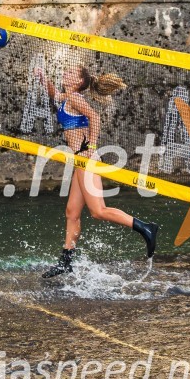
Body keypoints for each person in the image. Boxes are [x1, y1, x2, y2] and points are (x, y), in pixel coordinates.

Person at [39, 66, 159, 278]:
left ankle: (145, 228)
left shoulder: (75, 98)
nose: (65, 74)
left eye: (70, 73)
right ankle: (66, 262)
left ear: (78, 82)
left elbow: (95, 117)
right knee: (72, 213)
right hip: (80, 162)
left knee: (98, 211)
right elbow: (54, 93)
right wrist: (43, 78)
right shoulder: (67, 97)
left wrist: (91, 147)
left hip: (87, 159)